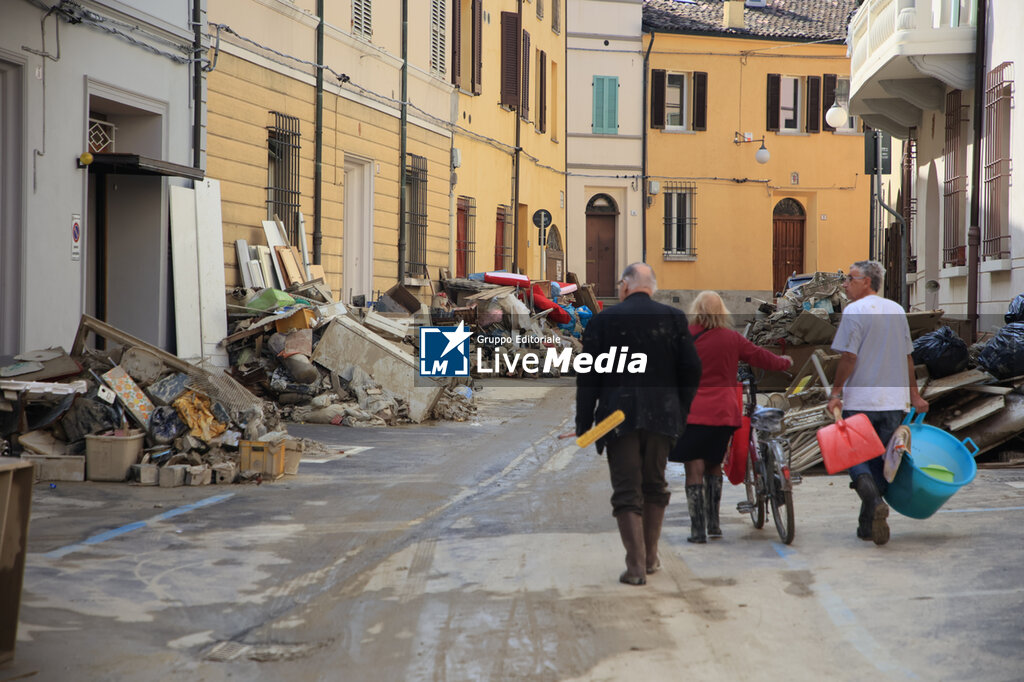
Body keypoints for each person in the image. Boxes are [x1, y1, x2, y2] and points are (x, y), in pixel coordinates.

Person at [576, 263, 702, 585]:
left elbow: (588, 378)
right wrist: (680, 409)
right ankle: (650, 557)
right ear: (653, 288)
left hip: (618, 418)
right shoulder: (673, 319)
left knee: (627, 491)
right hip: (663, 416)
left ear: (625, 286)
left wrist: (584, 424)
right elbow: (692, 369)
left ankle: (635, 567)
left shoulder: (604, 321)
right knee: (655, 486)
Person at [669, 291, 792, 543]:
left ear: (696, 310)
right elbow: (761, 357)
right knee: (714, 465)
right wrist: (784, 362)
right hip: (723, 415)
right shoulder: (731, 338)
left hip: (691, 414)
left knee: (694, 468)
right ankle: (714, 525)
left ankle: (697, 530)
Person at [826, 260, 929, 545]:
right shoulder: (896, 310)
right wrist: (914, 395)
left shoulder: (854, 311)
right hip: (893, 402)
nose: (846, 284)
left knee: (856, 459)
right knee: (885, 464)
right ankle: (867, 525)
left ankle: (873, 502)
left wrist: (835, 393)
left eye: (851, 278)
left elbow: (849, 357)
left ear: (867, 282)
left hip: (862, 400)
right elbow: (908, 357)